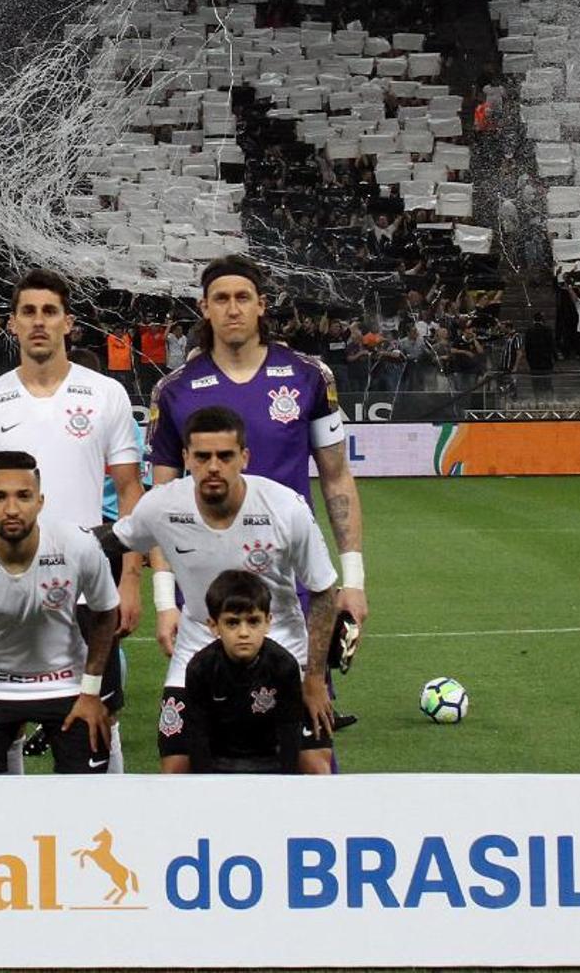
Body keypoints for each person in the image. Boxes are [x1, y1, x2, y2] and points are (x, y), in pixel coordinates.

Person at [0, 269, 145, 770]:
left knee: (97, 720)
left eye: (49, 312)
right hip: (2, 587)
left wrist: (129, 577)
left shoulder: (104, 395)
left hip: (85, 587)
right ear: (12, 325)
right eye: (28, 312)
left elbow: (130, 491)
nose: (38, 322)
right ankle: (15, 842)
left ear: (69, 323)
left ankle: (106, 824)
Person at [147, 256, 367, 632]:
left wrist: (355, 579)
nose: (233, 309)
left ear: (261, 304)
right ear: (204, 307)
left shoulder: (309, 376)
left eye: (243, 297)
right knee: (208, 691)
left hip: (292, 580)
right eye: (221, 299)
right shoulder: (173, 391)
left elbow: (336, 478)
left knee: (304, 691)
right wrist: (165, 601)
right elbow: (160, 500)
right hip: (203, 585)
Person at [116, 405, 340, 774]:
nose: (213, 466)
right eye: (202, 457)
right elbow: (116, 541)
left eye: (225, 456)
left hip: (283, 655)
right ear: (186, 457)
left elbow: (324, 591)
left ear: (244, 458)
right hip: (196, 653)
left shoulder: (285, 508)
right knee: (176, 769)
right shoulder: (162, 504)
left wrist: (314, 678)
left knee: (315, 767)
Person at [0, 451, 121, 775]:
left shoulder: (78, 544)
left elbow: (105, 613)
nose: (11, 509)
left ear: (40, 501)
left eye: (23, 496)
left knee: (89, 797)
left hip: (67, 685)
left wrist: (91, 691)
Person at [174, 571, 309, 774]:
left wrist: (286, 784)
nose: (244, 632)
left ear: (268, 622)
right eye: (232, 622)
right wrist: (204, 785)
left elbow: (289, 733)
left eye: (253, 621)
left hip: (269, 763)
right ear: (213, 625)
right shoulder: (200, 668)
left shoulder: (284, 666)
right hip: (220, 764)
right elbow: (198, 736)